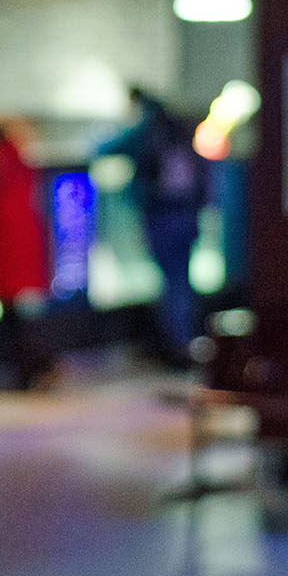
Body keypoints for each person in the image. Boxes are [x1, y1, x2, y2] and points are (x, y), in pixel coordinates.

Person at [100, 87, 206, 367]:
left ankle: (177, 346)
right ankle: (186, 342)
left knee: (173, 283)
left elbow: (105, 149)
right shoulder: (179, 127)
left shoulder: (147, 129)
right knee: (181, 281)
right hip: (186, 215)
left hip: (163, 216)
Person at [0, 114, 57, 390]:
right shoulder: (15, 154)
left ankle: (30, 370)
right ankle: (35, 368)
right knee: (17, 311)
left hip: (3, 242)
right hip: (20, 240)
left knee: (12, 313)